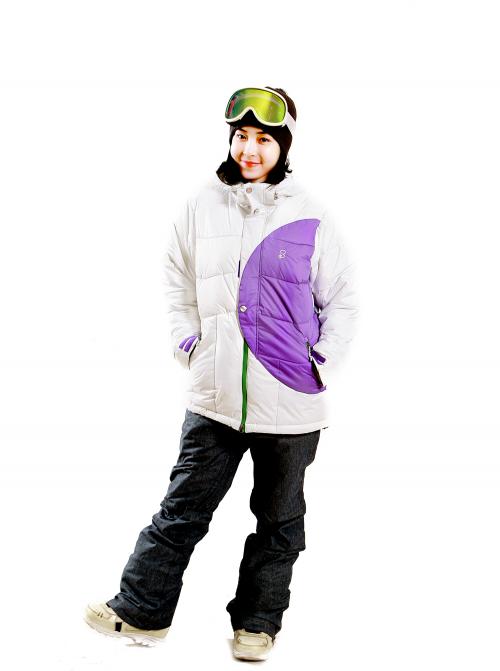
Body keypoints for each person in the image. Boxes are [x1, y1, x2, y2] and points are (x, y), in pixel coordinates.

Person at [84, 86, 359, 661]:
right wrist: (188, 342)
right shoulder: (200, 205)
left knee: (279, 523)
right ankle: (142, 611)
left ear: (283, 147)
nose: (249, 149)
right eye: (241, 136)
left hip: (290, 404)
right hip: (213, 396)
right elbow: (175, 280)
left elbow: (342, 299)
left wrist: (319, 362)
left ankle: (257, 625)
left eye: (263, 139)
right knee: (182, 510)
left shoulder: (310, 213)